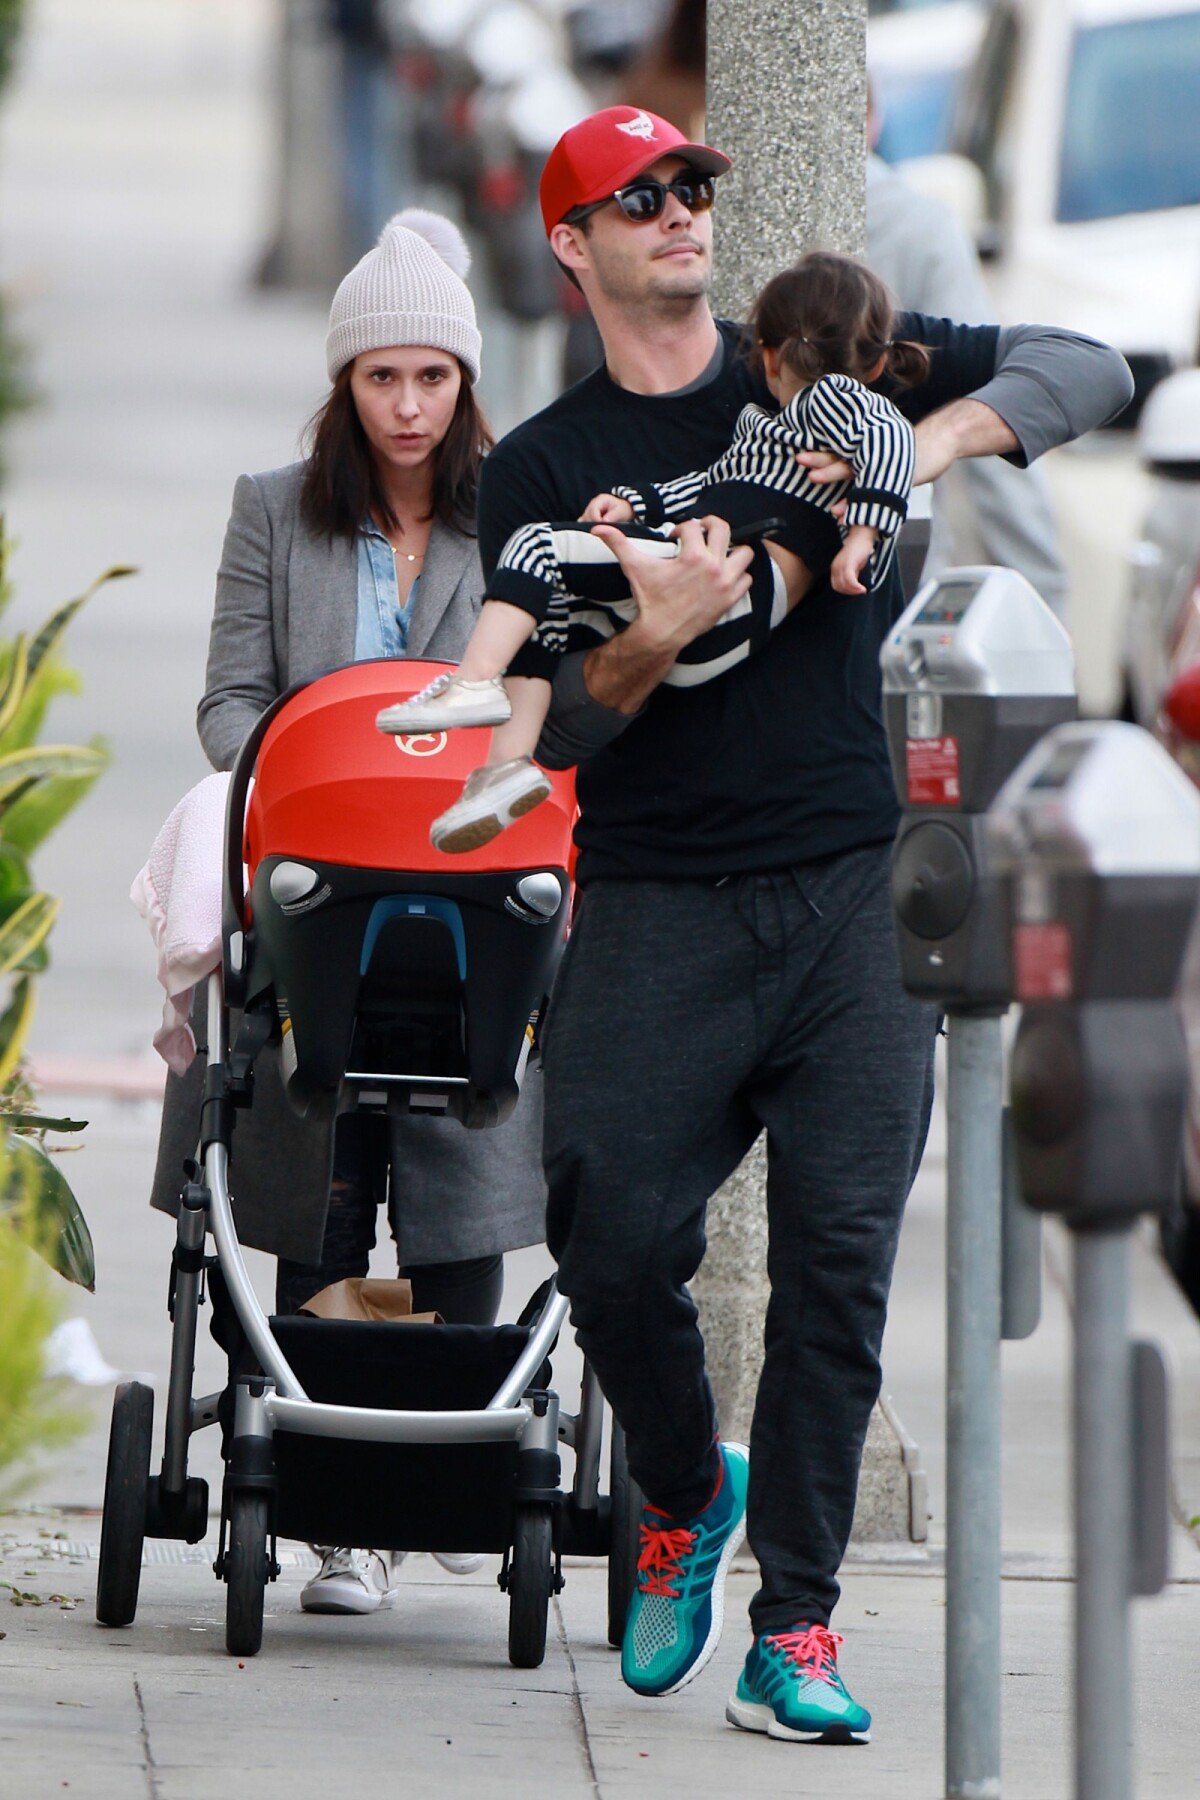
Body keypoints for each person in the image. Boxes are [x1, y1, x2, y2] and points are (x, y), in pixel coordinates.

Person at [477, 105, 1133, 1742]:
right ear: (575, 243)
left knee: (841, 1267)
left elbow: (1092, 364)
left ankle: (799, 1629)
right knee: (610, 1239)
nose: (686, 210)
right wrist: (655, 631)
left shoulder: (814, 358)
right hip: (659, 904)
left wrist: (921, 441)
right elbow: (554, 731)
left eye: (698, 182)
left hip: (852, 888)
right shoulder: (545, 467)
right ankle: (688, 1488)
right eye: (643, 196)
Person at [154, 209, 548, 1617]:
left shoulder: (519, 514)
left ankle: (457, 1461)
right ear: (345, 385)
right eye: (380, 379)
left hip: (465, 876)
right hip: (322, 868)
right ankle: (332, 1512)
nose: (406, 405)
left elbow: (544, 698)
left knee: (462, 1156)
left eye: (430, 378)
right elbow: (224, 702)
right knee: (316, 1148)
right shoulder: (276, 507)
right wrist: (311, 766)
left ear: (463, 383)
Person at [380, 249, 924, 853]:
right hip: (708, 615)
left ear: (768, 355)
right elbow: (710, 482)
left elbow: (891, 438)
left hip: (734, 597)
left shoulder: (829, 400)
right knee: (551, 606)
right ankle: (504, 768)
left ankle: (474, 680)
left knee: (536, 548)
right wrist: (634, 502)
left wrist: (863, 537)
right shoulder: (764, 425)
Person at [865, 105, 1070, 618]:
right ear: (873, 118)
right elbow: (997, 404)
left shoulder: (700, 212)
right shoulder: (914, 224)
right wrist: (1045, 609)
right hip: (894, 578)